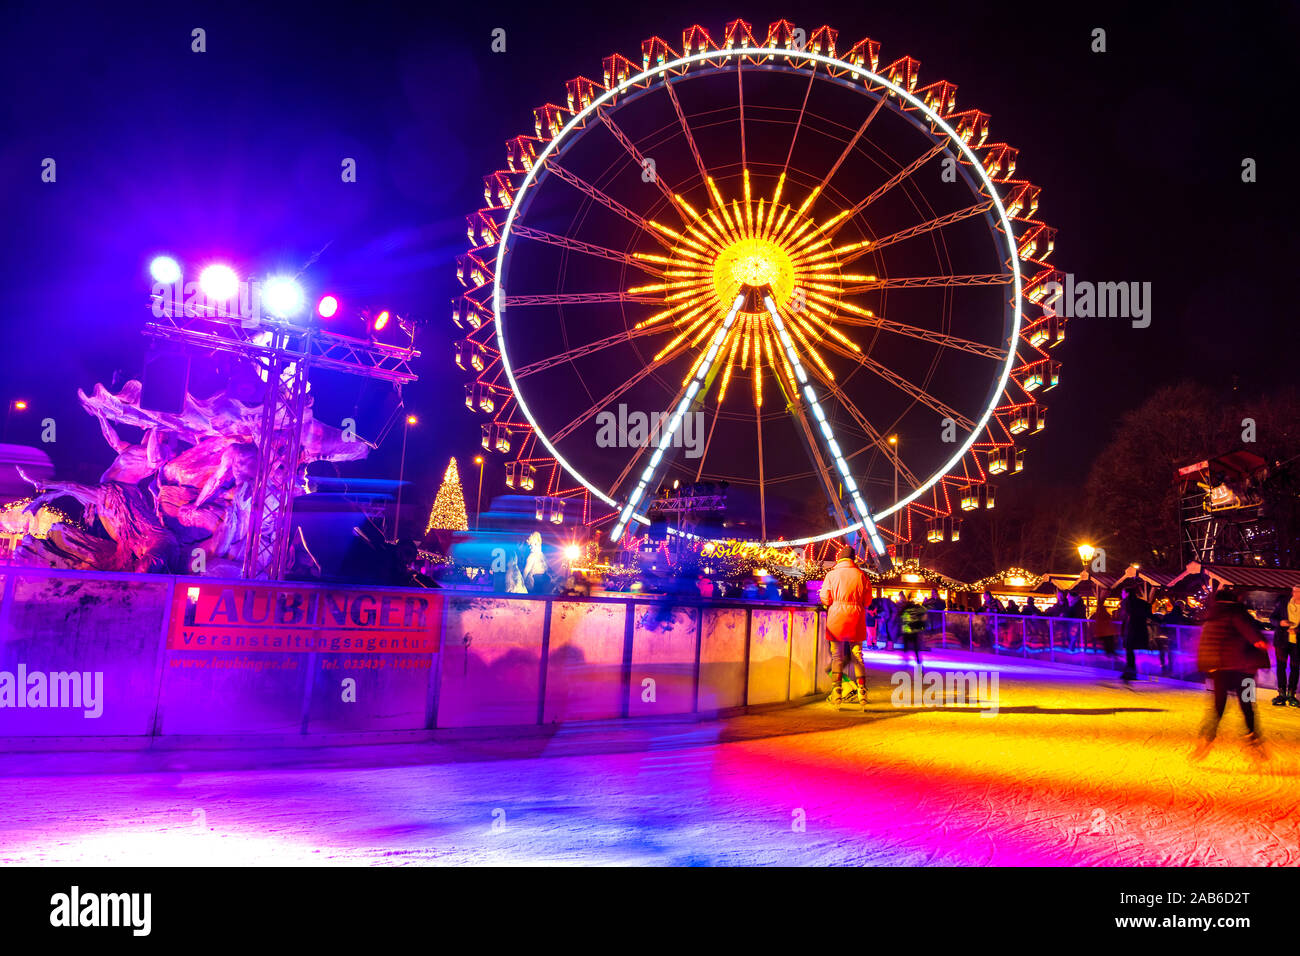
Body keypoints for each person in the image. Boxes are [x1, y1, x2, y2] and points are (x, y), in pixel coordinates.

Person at [1192, 588, 1271, 760]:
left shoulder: (1211, 616)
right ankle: (1253, 738)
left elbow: (1206, 643)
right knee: (1248, 705)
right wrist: (1262, 644)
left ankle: (1207, 737)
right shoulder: (1236, 613)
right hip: (1244, 671)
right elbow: (1252, 635)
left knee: (1218, 706)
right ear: (1234, 600)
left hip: (1218, 670)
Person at [819, 545, 873, 710]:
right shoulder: (862, 575)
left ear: (839, 559)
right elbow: (868, 601)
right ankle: (862, 692)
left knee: (837, 657)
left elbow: (826, 598)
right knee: (857, 655)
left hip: (836, 618)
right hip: (856, 617)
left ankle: (837, 691)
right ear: (853, 559)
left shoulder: (831, 575)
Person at [1268, 585, 1300, 707]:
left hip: (1297, 643)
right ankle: (1281, 693)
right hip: (1282, 640)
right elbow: (1272, 618)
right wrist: (1280, 622)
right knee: (1281, 667)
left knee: (1295, 668)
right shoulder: (1283, 603)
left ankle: (1291, 694)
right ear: (1293, 592)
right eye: (1296, 591)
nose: (1297, 594)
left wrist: (1297, 630)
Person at [1119, 584, 1152, 682]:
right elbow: (1148, 613)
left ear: (1127, 593)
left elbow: (1125, 618)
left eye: (1123, 593)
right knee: (1130, 652)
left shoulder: (1126, 603)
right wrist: (1160, 621)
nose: (1122, 594)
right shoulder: (1141, 603)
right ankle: (1130, 671)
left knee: (1129, 652)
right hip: (1138, 630)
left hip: (1130, 630)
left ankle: (1130, 672)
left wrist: (1122, 630)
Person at [900, 590, 928, 671]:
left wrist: (902, 629)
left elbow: (903, 620)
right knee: (916, 650)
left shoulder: (905, 610)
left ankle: (905, 664)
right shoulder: (917, 609)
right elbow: (924, 611)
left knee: (906, 648)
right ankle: (919, 666)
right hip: (914, 631)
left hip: (907, 631)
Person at [1090, 591, 1118, 657]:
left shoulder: (1100, 607)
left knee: (1108, 640)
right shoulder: (1100, 607)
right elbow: (1103, 616)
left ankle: (1109, 653)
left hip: (1104, 629)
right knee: (1108, 640)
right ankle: (1109, 653)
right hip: (1104, 629)